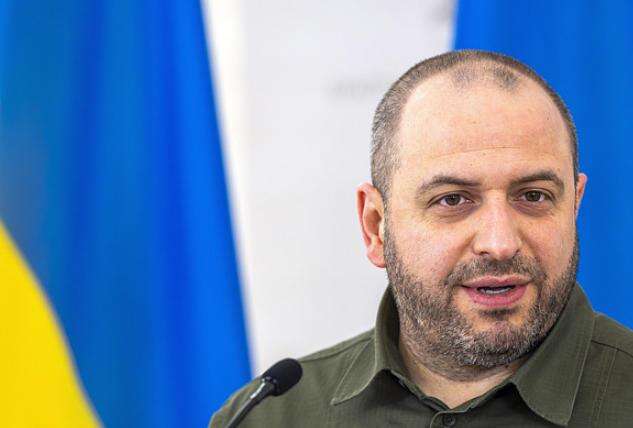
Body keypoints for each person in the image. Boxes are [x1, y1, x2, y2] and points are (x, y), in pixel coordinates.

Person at [210, 50, 633, 427]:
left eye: (534, 196)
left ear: (574, 206)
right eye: (453, 200)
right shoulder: (269, 417)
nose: (500, 242)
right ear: (375, 226)